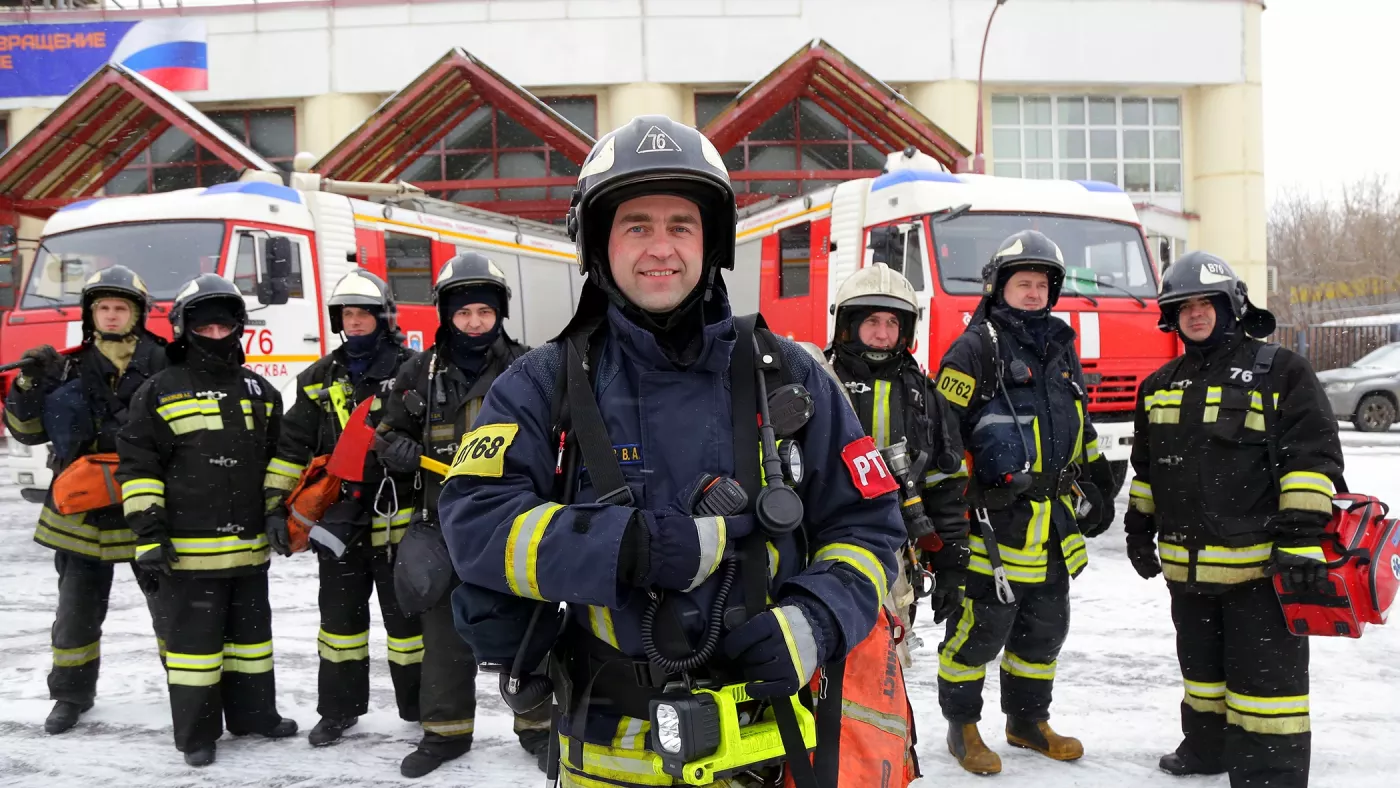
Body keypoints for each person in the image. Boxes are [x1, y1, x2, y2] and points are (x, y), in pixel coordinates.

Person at [436, 115, 906, 788]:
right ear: (598, 244)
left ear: (712, 241)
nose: (661, 248)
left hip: (769, 746)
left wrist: (815, 620)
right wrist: (626, 547)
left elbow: (868, 526)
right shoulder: (541, 384)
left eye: (680, 225)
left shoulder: (791, 375)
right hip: (605, 752)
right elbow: (474, 522)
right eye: (637, 226)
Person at [1125, 252, 1341, 787]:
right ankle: (1206, 749)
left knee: (1267, 689)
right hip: (1188, 572)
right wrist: (1137, 526)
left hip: (1260, 573)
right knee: (1202, 676)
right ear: (1170, 317)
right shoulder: (1159, 384)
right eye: (1184, 306)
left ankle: (1270, 775)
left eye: (1208, 303)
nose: (1196, 314)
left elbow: (1311, 462)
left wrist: (1301, 541)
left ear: (1232, 306)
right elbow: (1148, 468)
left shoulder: (1281, 371)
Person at [929, 230, 1117, 775]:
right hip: (994, 520)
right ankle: (962, 726)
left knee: (1044, 627)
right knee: (979, 628)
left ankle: (1028, 721)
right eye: (1022, 283)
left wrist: (1099, 483)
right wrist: (954, 508)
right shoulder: (974, 348)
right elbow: (944, 438)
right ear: (998, 287)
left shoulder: (1061, 348)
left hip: (1053, 524)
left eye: (1041, 285)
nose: (1033, 293)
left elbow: (1077, 424)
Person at [375, 252, 546, 777]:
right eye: (464, 312)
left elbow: (557, 435)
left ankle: (538, 728)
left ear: (500, 314)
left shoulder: (529, 366)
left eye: (484, 312)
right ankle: (445, 734)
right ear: (446, 315)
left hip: (513, 522)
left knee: (529, 632)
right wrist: (396, 448)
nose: (474, 322)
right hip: (444, 523)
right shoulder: (417, 372)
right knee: (444, 637)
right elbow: (387, 430)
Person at [115, 273, 297, 766]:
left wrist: (278, 512)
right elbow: (138, 469)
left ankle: (254, 714)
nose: (215, 336)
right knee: (194, 652)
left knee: (251, 642)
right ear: (183, 328)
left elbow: (280, 460)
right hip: (187, 553)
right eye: (205, 327)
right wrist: (148, 536)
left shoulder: (260, 391)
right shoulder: (158, 390)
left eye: (224, 327)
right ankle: (196, 735)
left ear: (238, 329)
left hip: (250, 550)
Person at [3, 266, 167, 735]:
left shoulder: (166, 363)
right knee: (75, 613)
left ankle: (187, 687)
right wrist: (29, 386)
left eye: (121, 308)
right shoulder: (66, 366)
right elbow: (29, 433)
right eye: (103, 308)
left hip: (146, 503)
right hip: (80, 509)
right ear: (91, 314)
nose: (111, 316)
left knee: (171, 610)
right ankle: (70, 696)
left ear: (136, 313)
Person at [262, 270, 421, 748]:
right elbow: (291, 447)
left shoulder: (413, 370)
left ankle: (420, 709)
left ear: (382, 318)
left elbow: (433, 429)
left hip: (400, 517)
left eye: (364, 314)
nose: (355, 323)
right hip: (340, 521)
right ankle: (337, 712)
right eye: (347, 314)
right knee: (339, 625)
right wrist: (275, 505)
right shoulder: (317, 379)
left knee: (409, 626)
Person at [824, 262, 968, 633]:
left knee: (888, 658)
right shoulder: (817, 381)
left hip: (898, 556)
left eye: (892, 323)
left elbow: (945, 485)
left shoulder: (925, 397)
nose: (882, 334)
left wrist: (950, 562)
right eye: (872, 321)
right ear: (848, 325)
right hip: (821, 550)